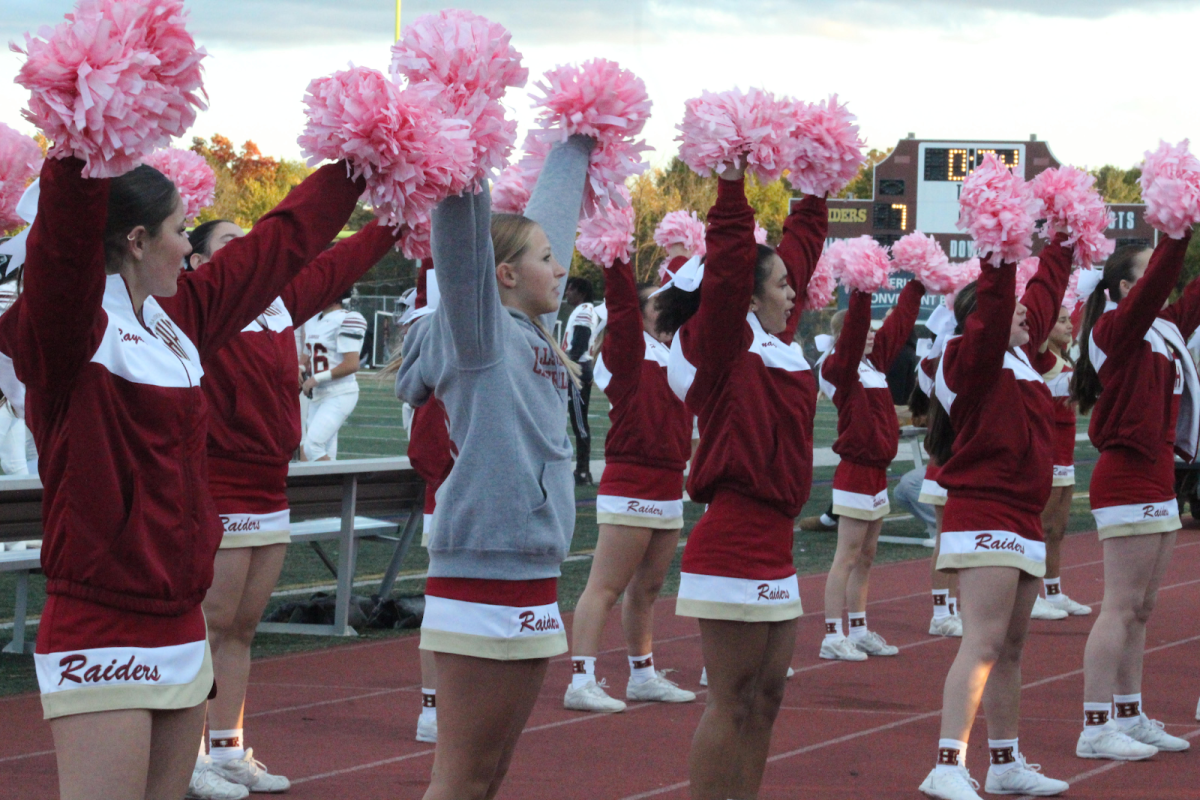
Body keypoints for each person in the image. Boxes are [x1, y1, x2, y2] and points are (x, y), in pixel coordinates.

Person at [1, 154, 363, 800]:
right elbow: (61, 258)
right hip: (101, 620)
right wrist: (84, 148)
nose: (188, 245)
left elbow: (281, 245)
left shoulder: (179, 318)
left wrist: (368, 169)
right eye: (178, 229)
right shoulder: (66, 330)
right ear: (137, 242)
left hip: (179, 624)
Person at [395, 134, 594, 800]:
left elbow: (550, 222)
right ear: (502, 275)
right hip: (482, 575)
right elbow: (462, 241)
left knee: (489, 777)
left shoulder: (534, 333)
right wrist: (460, 148)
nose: (561, 267)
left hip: (531, 574)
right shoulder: (479, 335)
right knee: (460, 779)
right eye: (545, 260)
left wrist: (579, 138)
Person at [180, 217, 399, 798]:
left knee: (243, 628)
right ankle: (184, 756)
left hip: (270, 481)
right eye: (232, 242)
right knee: (207, 623)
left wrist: (394, 221)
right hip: (215, 480)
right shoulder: (198, 305)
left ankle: (226, 749)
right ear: (198, 264)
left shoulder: (278, 301)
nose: (250, 248)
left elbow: (338, 263)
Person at [662, 161, 824, 800]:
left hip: (777, 541)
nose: (794, 294)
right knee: (730, 702)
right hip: (731, 539)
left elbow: (800, 255)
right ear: (747, 297)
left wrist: (816, 187)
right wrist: (731, 186)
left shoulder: (781, 347)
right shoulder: (722, 346)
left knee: (767, 699)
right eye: (781, 286)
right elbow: (731, 265)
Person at [918, 235, 1074, 800]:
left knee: (1008, 649)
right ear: (983, 317)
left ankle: (1004, 762)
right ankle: (947, 764)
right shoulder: (967, 357)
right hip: (985, 509)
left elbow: (1044, 292)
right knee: (982, 644)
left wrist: (1061, 239)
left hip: (1022, 516)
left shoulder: (1021, 363)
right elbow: (1000, 305)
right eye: (1014, 312)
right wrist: (997, 254)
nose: (1029, 318)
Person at [1070, 239, 1197, 759]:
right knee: (1120, 608)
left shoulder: (1164, 329)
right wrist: (1176, 232)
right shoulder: (1115, 329)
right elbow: (1165, 281)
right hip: (1125, 474)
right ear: (1127, 288)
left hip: (1160, 475)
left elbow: (1191, 297)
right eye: (1149, 275)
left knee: (1141, 609)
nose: (1163, 284)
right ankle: (1095, 726)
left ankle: (1130, 712)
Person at [564, 255, 696, 713]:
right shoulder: (626, 349)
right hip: (632, 477)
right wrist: (616, 257)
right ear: (637, 314)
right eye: (656, 303)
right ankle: (580, 679)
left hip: (669, 482)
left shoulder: (674, 351)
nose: (666, 308)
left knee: (649, 589)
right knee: (605, 586)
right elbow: (620, 308)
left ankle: (642, 675)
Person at [818, 279, 924, 661]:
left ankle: (859, 628)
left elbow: (898, 325)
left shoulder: (873, 366)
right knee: (846, 555)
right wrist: (861, 294)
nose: (868, 338)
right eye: (860, 334)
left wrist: (916, 285)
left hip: (877, 470)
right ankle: (832, 634)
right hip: (855, 470)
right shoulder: (838, 368)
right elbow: (851, 343)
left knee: (867, 554)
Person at [396, 260, 449, 744]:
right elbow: (429, 455)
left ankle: (440, 707)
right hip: (453, 498)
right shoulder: (431, 374)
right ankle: (433, 708)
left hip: (470, 498)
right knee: (447, 605)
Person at [1028, 305, 1091, 620]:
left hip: (1066, 456)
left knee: (1057, 529)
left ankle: (1053, 592)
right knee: (1038, 528)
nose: (1070, 326)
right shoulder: (1040, 356)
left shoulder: (1066, 359)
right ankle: (1029, 596)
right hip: (1046, 453)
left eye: (1070, 320)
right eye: (1062, 320)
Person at [913, 335, 962, 638]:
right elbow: (926, 368)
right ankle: (940, 612)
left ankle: (953, 608)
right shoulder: (939, 371)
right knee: (946, 539)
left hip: (959, 464)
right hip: (944, 464)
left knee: (956, 540)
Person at [300, 291, 367, 460]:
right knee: (324, 450)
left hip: (340, 392)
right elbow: (308, 353)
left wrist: (315, 379)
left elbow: (352, 364)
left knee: (312, 447)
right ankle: (330, 487)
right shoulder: (314, 320)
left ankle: (341, 484)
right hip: (317, 395)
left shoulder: (347, 318)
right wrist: (301, 368)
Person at [563, 276, 597, 484]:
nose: (567, 293)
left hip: (577, 370)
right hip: (578, 368)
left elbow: (579, 345)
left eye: (570, 289)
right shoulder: (583, 310)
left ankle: (583, 471)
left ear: (581, 292)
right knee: (577, 421)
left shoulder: (584, 311)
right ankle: (582, 470)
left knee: (579, 422)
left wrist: (566, 363)